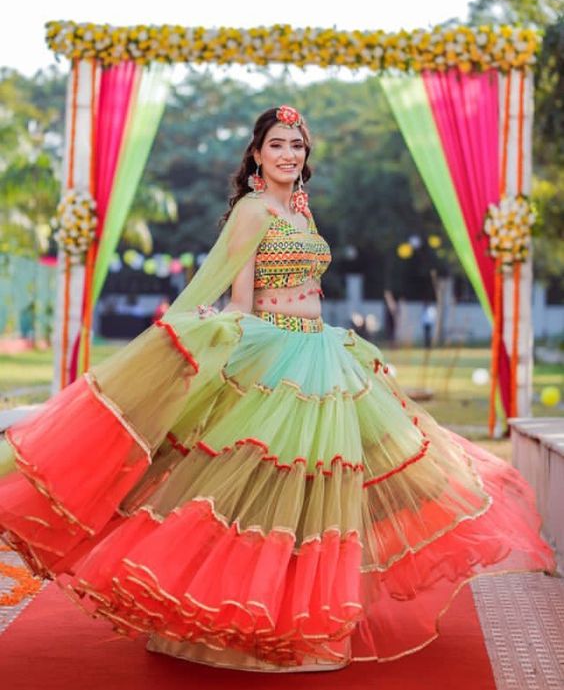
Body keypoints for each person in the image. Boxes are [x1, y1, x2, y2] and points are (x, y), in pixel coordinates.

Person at [0, 106, 554, 672]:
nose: (289, 154)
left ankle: (298, 622)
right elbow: (237, 297)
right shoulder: (254, 209)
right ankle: (223, 622)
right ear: (257, 155)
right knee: (252, 493)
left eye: (297, 145)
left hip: (323, 353)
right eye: (277, 145)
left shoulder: (300, 212)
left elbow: (310, 286)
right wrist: (199, 344)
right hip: (275, 356)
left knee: (320, 497)